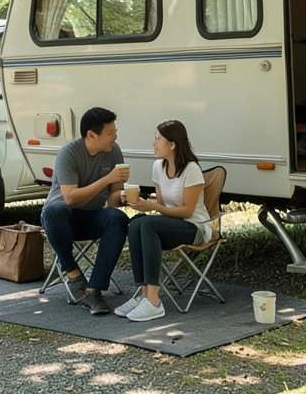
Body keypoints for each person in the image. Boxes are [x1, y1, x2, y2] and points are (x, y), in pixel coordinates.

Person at [117, 120, 212, 322]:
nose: (153, 143)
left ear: (172, 144)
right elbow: (161, 204)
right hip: (172, 224)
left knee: (148, 224)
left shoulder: (191, 169)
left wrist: (154, 207)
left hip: (195, 228)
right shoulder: (158, 167)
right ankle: (143, 294)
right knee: (136, 223)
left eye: (157, 138)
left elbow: (187, 210)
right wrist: (141, 203)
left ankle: (153, 302)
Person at [40, 106, 129, 316]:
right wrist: (107, 179)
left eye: (115, 132)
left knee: (117, 218)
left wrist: (124, 196)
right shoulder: (69, 153)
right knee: (55, 209)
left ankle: (93, 290)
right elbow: (70, 198)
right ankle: (72, 273)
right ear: (91, 135)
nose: (115, 137)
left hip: (92, 216)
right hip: (63, 220)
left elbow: (113, 197)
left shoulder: (114, 151)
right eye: (110, 133)